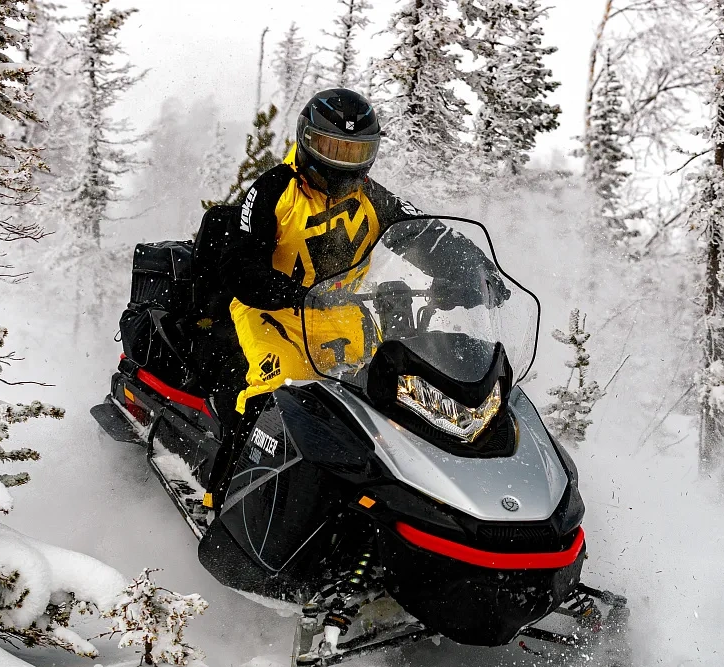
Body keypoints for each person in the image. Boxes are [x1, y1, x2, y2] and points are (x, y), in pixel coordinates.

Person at [203, 88, 504, 509]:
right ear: (307, 140)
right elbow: (239, 266)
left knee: (388, 400)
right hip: (273, 312)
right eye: (333, 148)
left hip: (342, 312)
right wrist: (294, 294)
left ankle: (384, 499)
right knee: (275, 396)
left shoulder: (371, 197)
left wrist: (474, 272)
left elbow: (427, 234)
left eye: (355, 151)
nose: (343, 162)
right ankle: (222, 498)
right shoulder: (274, 190)